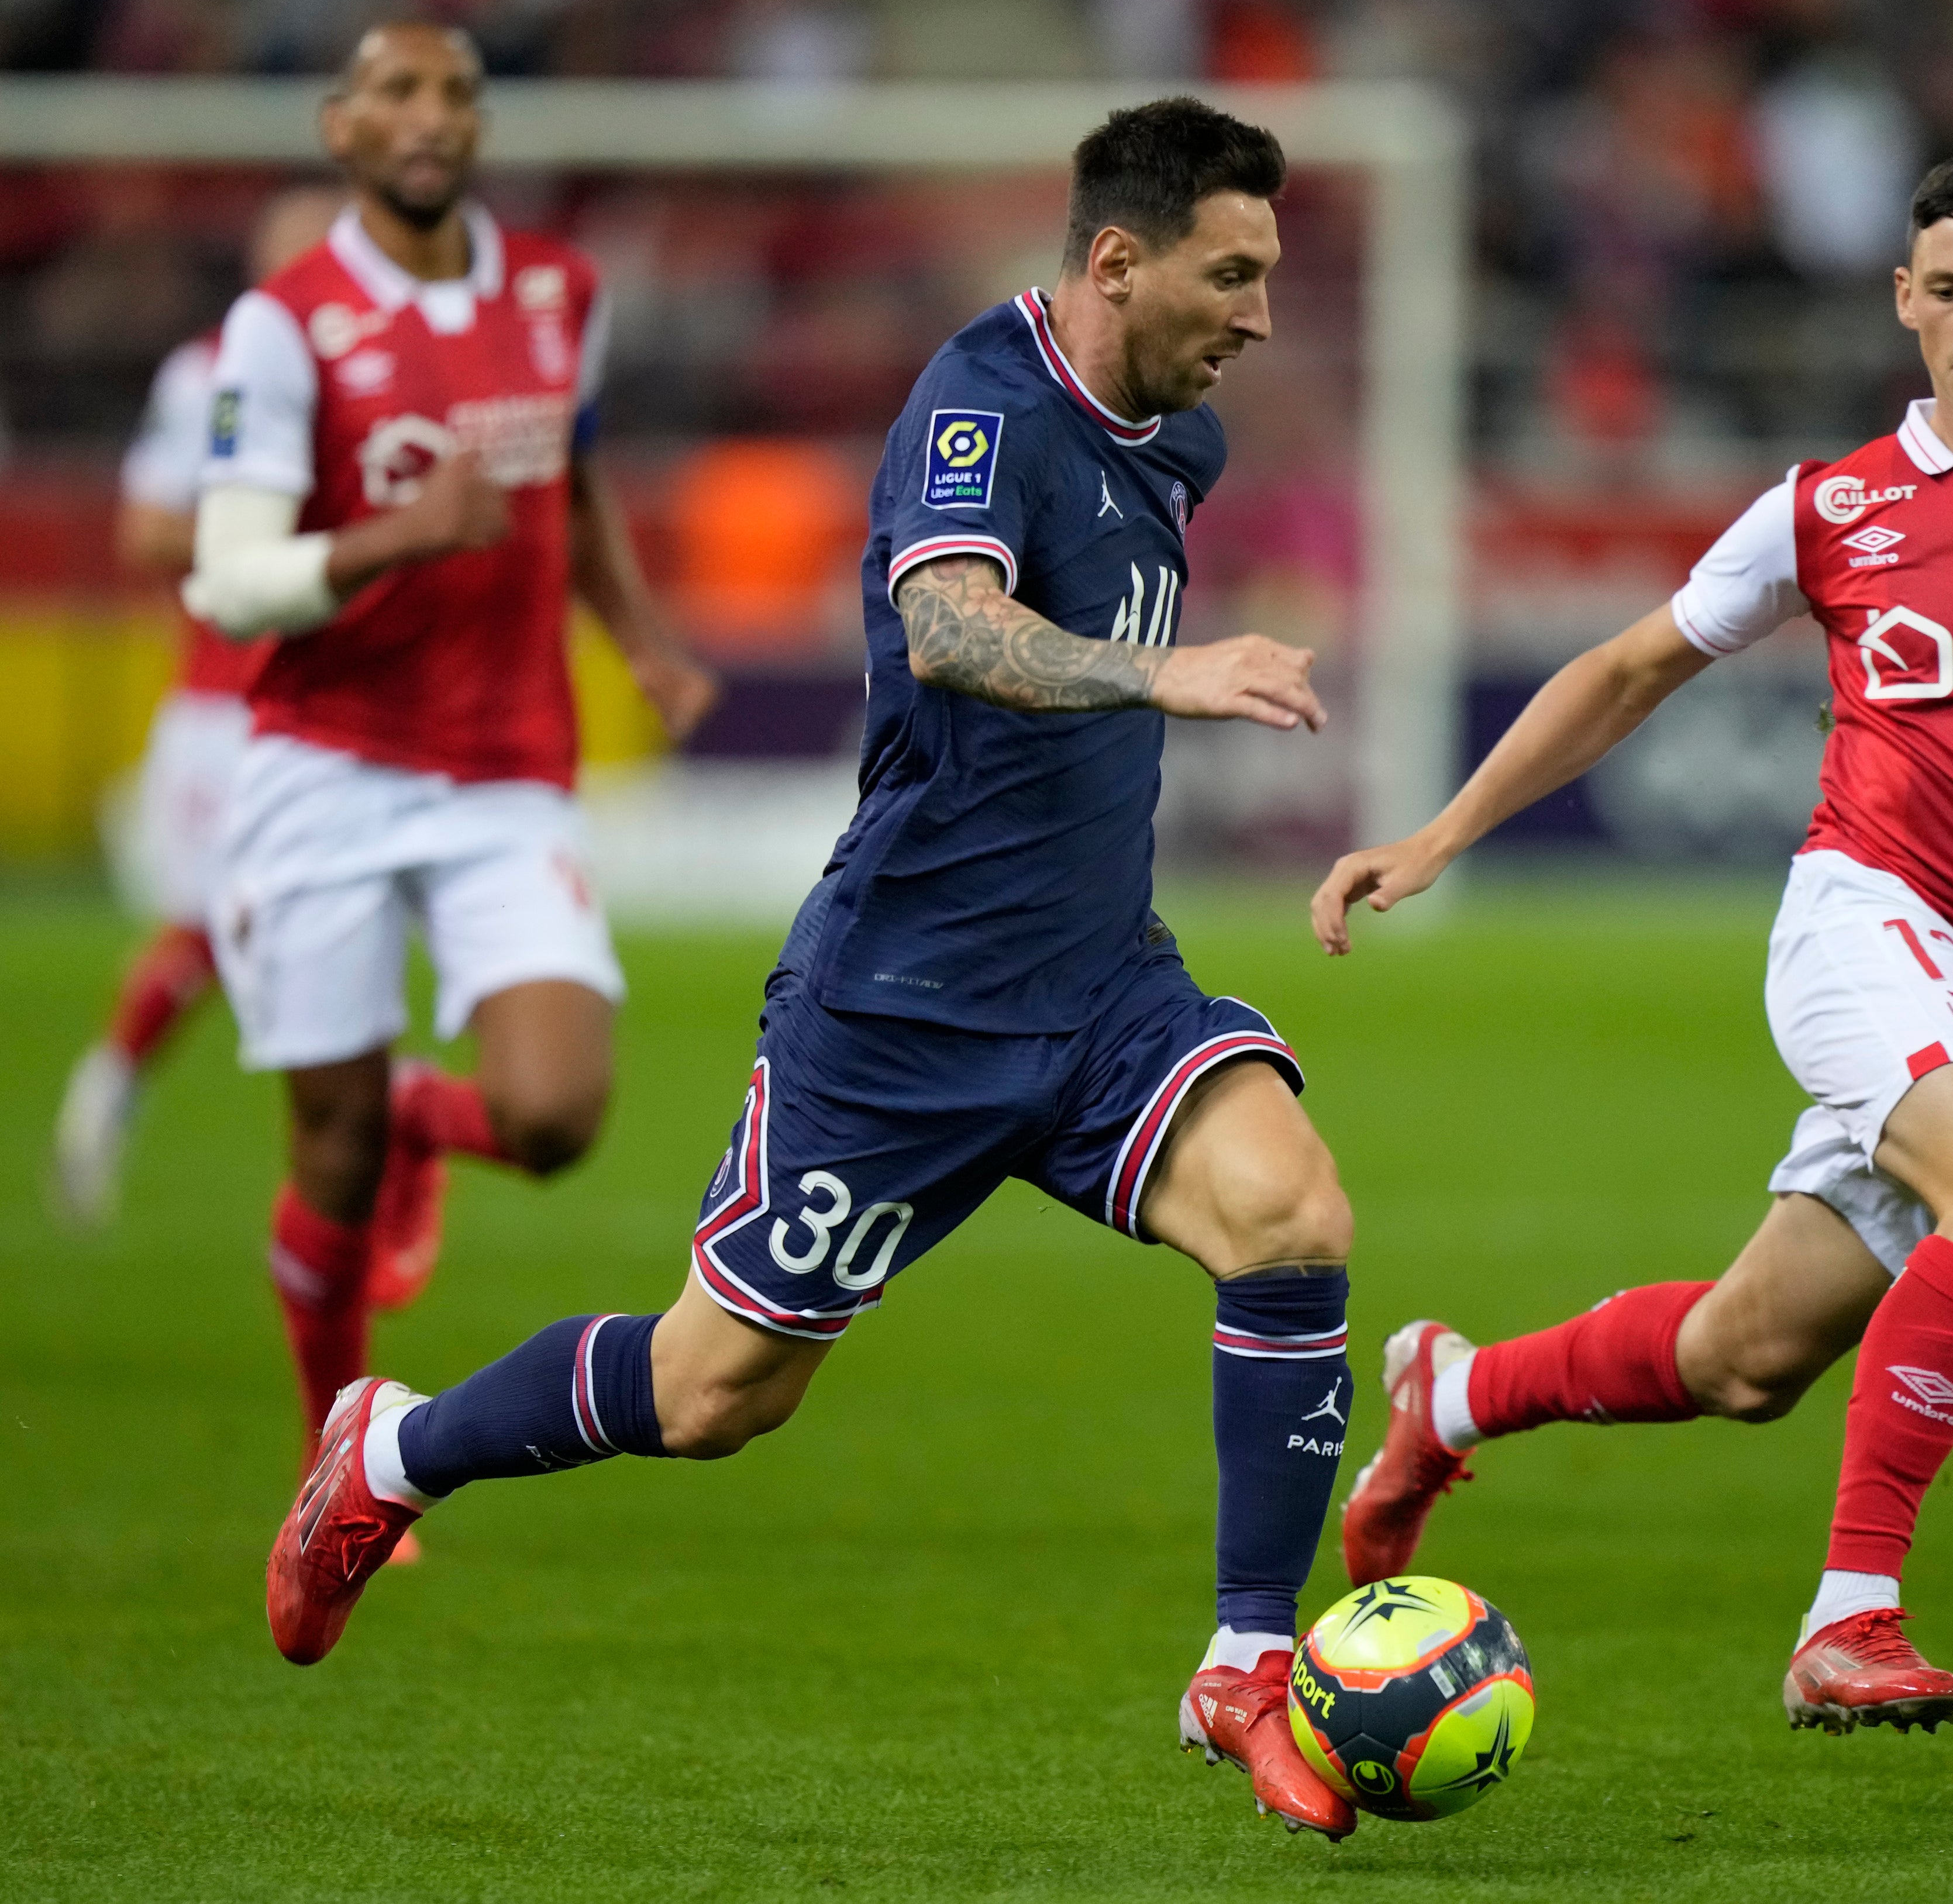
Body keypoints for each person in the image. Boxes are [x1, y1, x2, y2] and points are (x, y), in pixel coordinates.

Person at [266, 96, 1373, 1841]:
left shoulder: (1176, 443)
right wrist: (1164, 677)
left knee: (1291, 1213)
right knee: (715, 1396)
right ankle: (391, 1448)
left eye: (1265, 277)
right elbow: (946, 623)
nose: (1256, 312)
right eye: (1228, 274)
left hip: (1097, 989)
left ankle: (1243, 1654)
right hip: (900, 1008)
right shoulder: (977, 403)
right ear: (1111, 259)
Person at [1318, 149, 1953, 1737]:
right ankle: (1848, 1618)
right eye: (1944, 290)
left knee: (1746, 1354)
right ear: (1900, 300)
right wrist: (1438, 832)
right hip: (1862, 925)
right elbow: (1619, 669)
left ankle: (1449, 1390)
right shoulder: (1832, 505)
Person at [184, 25, 718, 1471]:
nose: (431, 118)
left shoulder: (560, 289)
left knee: (554, 1115)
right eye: (398, 94)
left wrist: (642, 638)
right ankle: (331, 1454)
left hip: (503, 766)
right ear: (341, 128)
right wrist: (399, 537)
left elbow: (577, 474)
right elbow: (227, 581)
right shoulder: (283, 327)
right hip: (327, 760)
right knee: (332, 1155)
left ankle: (434, 1111)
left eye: (456, 96)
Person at [53, 185, 343, 1229]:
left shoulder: (377, 366)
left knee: (330, 930)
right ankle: (111, 1082)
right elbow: (146, 532)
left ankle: (360, 1166)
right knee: (227, 927)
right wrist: (290, 542)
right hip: (231, 710)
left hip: (352, 707)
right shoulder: (208, 369)